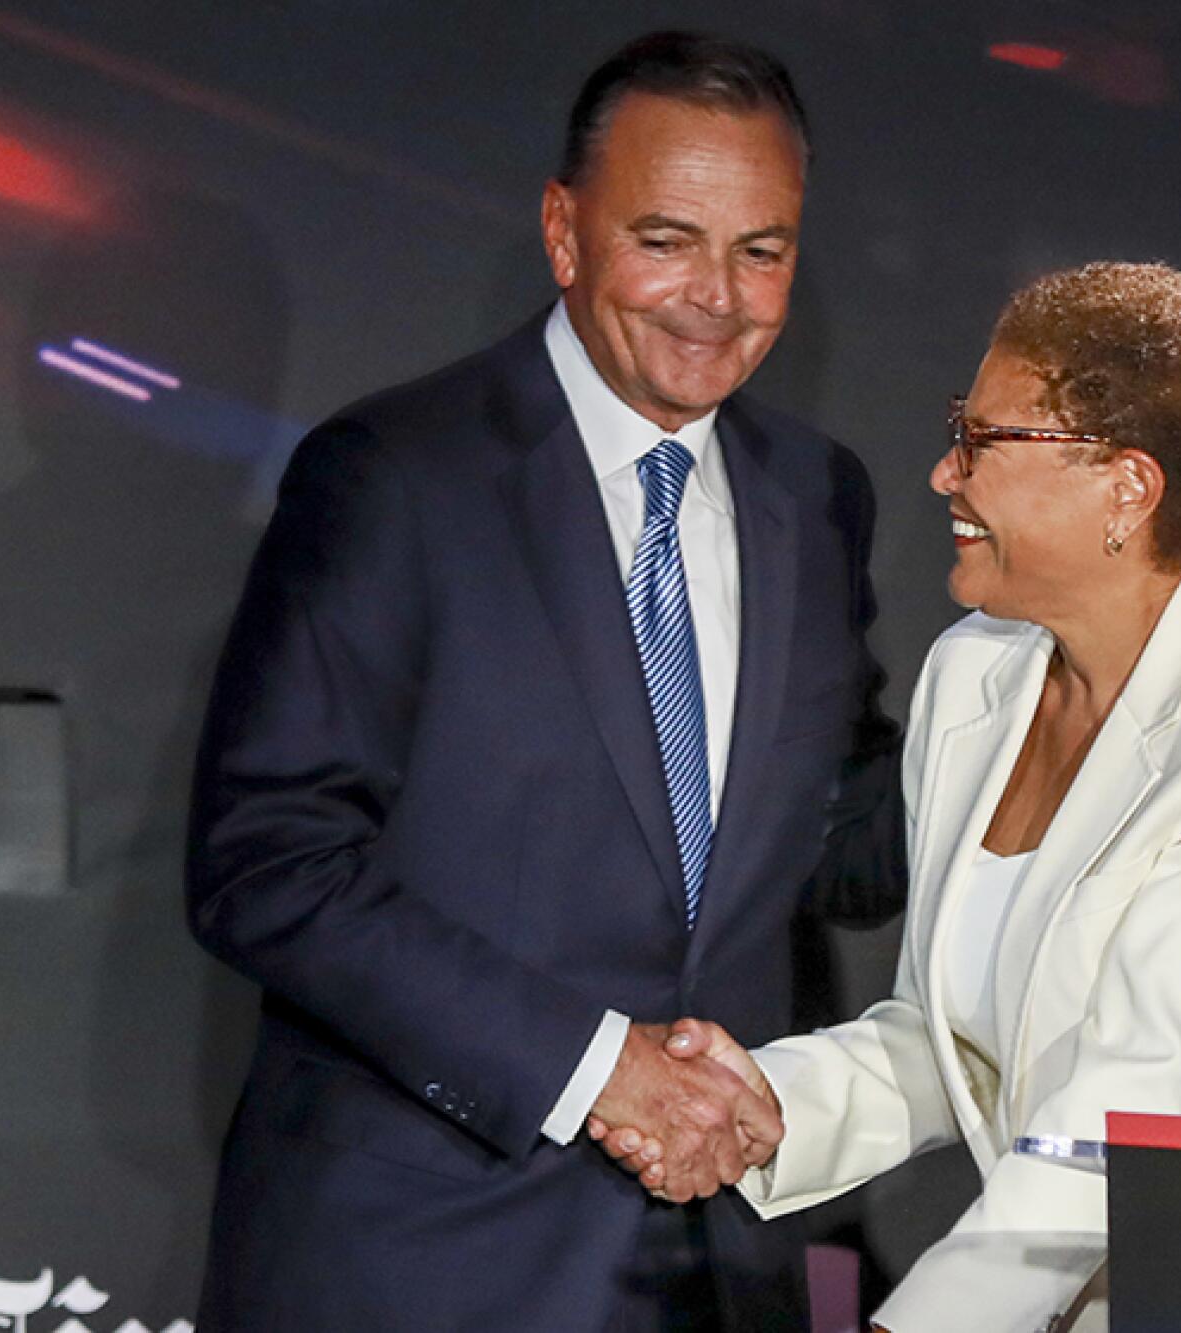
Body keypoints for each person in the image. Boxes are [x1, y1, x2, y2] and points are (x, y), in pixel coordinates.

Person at [185, 31, 901, 1332]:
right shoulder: (396, 478)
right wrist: (595, 1069)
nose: (716, 296)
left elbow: (846, 848)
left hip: (720, 1273)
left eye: (763, 249)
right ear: (565, 234)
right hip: (426, 1268)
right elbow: (269, 863)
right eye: (667, 238)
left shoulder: (817, 496)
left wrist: (1075, 703)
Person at [604, 261, 1181, 1332]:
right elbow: (944, 1036)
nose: (943, 474)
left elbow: (1135, 1112)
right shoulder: (976, 674)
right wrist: (766, 1105)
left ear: (1125, 489)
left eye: (985, 440)